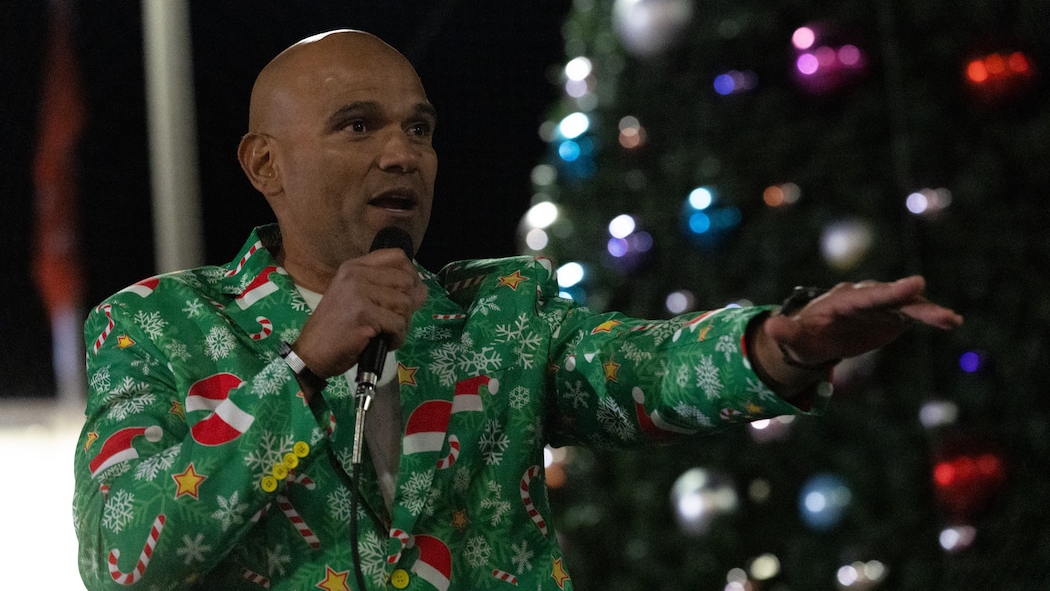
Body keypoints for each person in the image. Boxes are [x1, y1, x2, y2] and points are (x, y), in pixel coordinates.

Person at [73, 30, 962, 590]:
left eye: (419, 129)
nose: (402, 154)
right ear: (265, 166)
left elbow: (643, 370)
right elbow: (124, 560)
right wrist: (299, 370)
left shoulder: (498, 312)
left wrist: (779, 345)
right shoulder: (156, 327)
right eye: (358, 125)